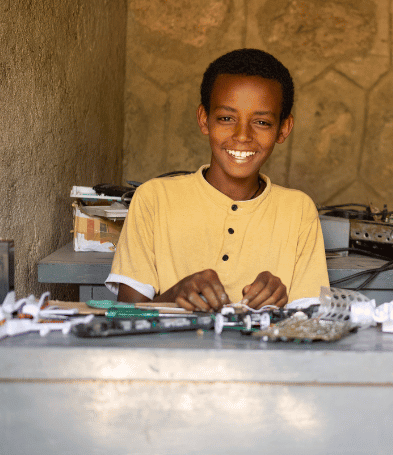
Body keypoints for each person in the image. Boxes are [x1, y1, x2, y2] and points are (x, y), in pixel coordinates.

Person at [105, 48, 329, 310]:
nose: (242, 135)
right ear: (204, 120)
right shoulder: (154, 198)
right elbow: (126, 315)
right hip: (170, 351)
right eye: (226, 118)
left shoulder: (298, 209)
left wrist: (282, 301)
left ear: (283, 128)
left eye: (262, 122)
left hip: (261, 352)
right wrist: (174, 295)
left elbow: (312, 321)